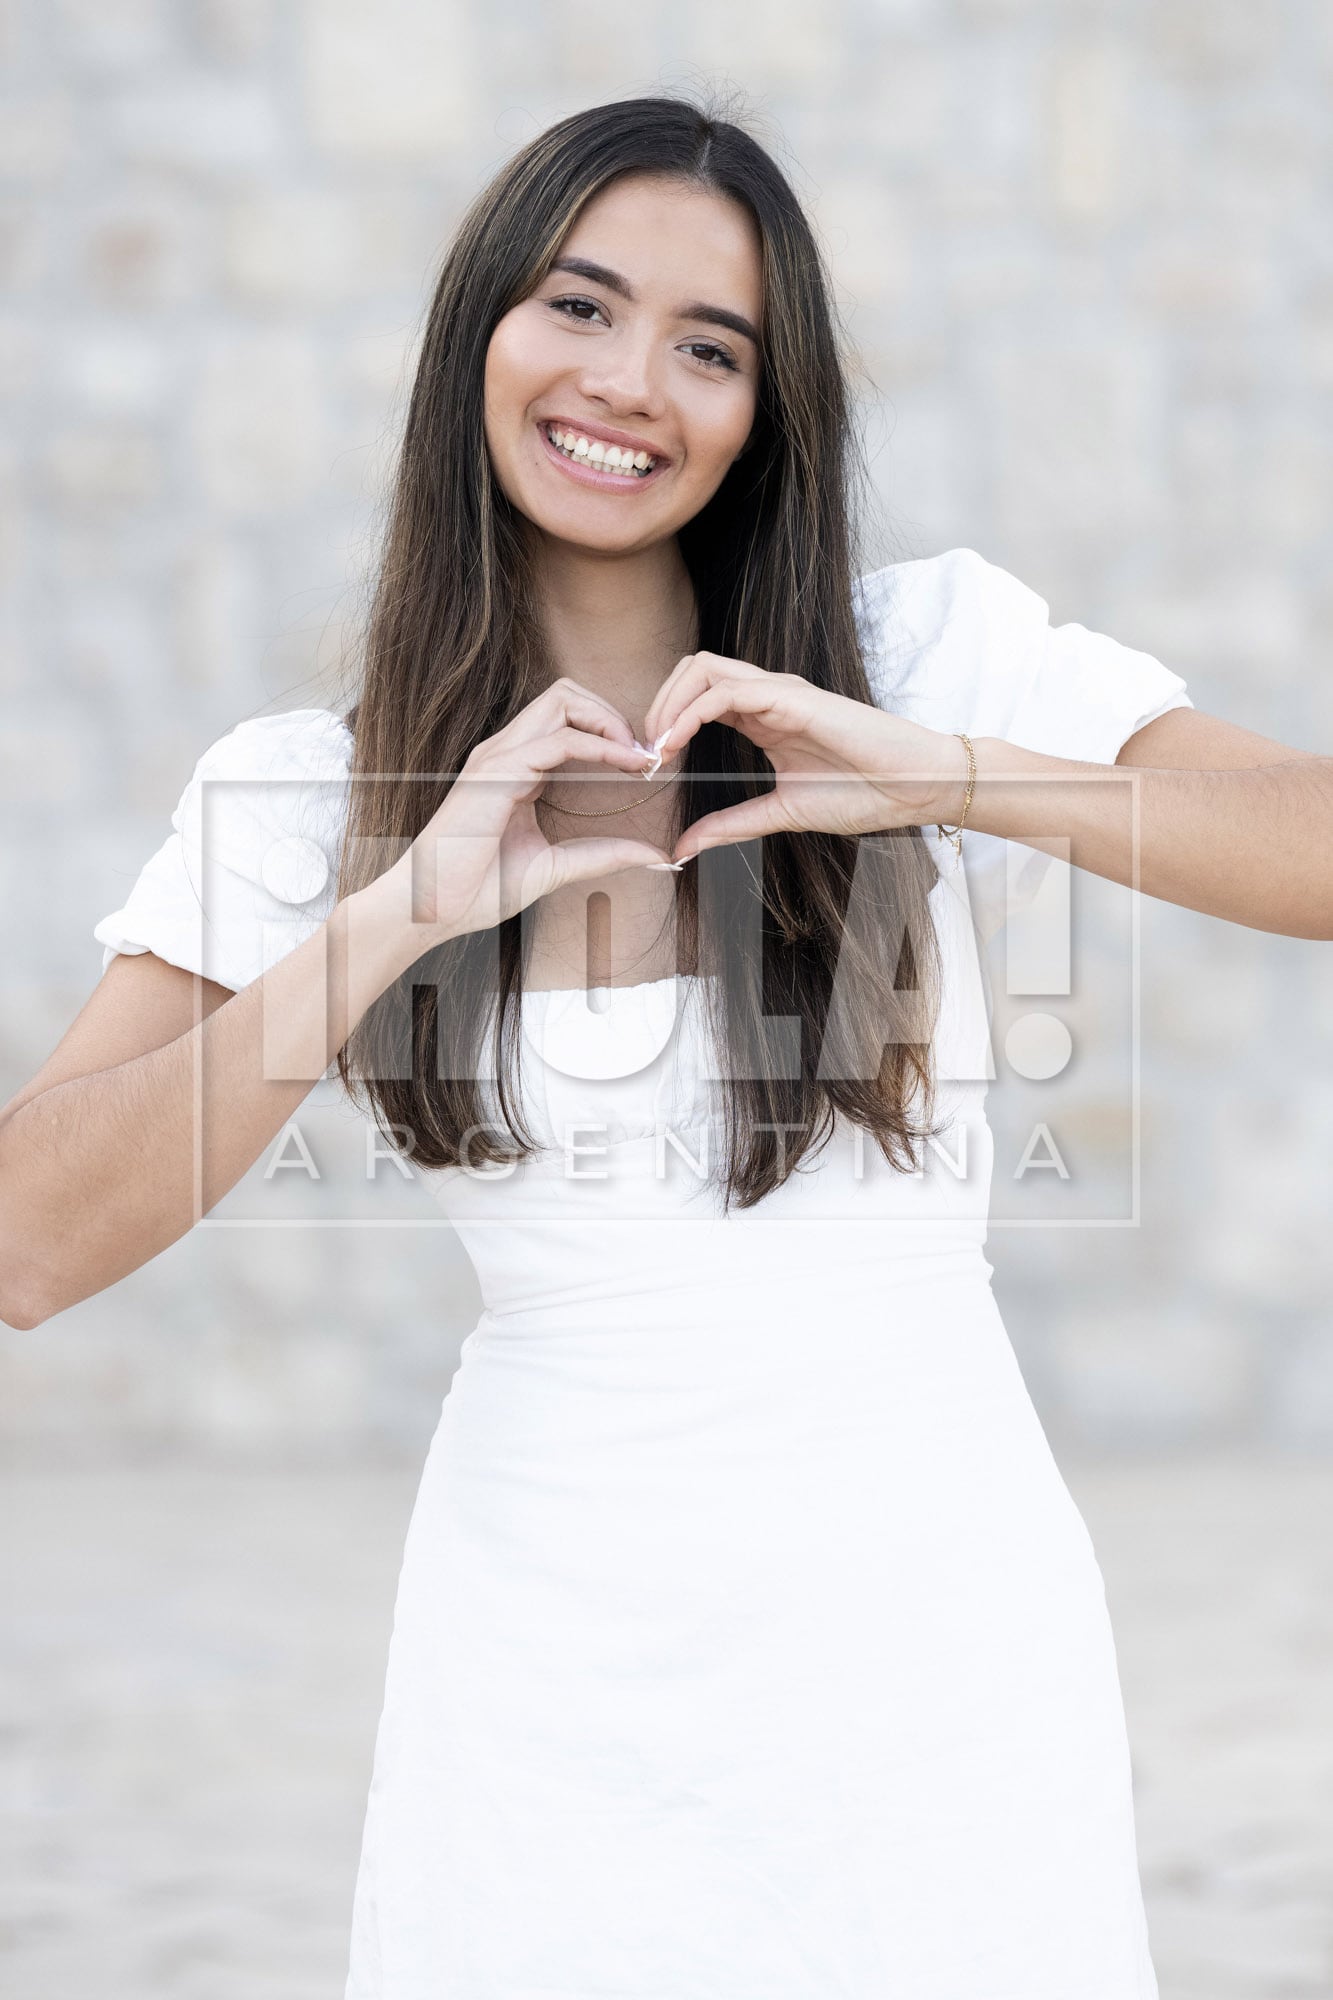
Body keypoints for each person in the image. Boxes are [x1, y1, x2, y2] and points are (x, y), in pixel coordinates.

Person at [5, 92, 1331, 2000]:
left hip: (933, 1653)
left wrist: (939, 773)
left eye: (711, 347)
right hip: (549, 1687)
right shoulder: (306, 795)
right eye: (580, 305)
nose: (632, 383)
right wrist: (397, 912)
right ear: (481, 328)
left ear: (765, 413)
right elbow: (27, 1245)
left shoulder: (924, 656)